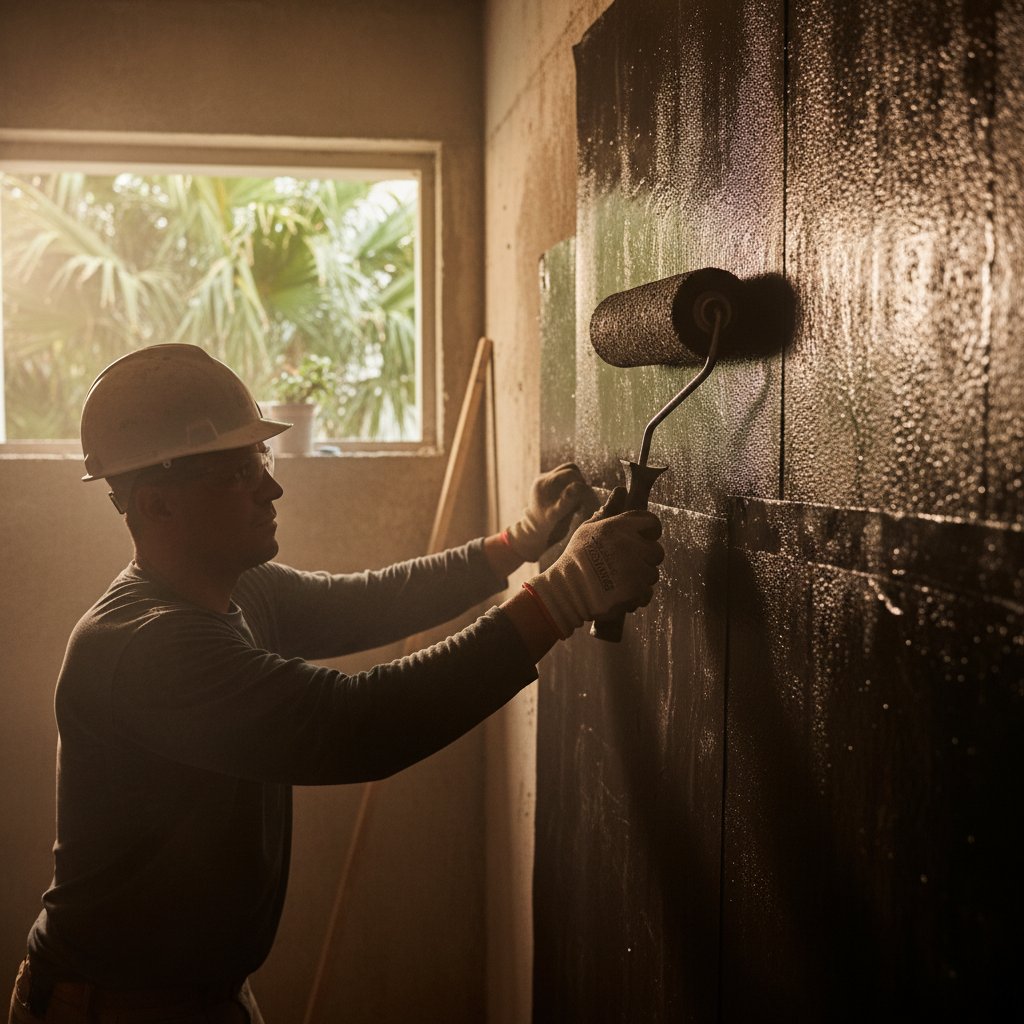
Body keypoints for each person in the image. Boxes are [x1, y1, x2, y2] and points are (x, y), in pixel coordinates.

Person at [8, 344, 664, 1024]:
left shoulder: (233, 588)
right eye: (239, 471)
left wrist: (522, 541)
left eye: (262, 463)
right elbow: (354, 725)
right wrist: (563, 595)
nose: (272, 488)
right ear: (157, 505)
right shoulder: (146, 647)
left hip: (199, 999)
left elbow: (368, 602)